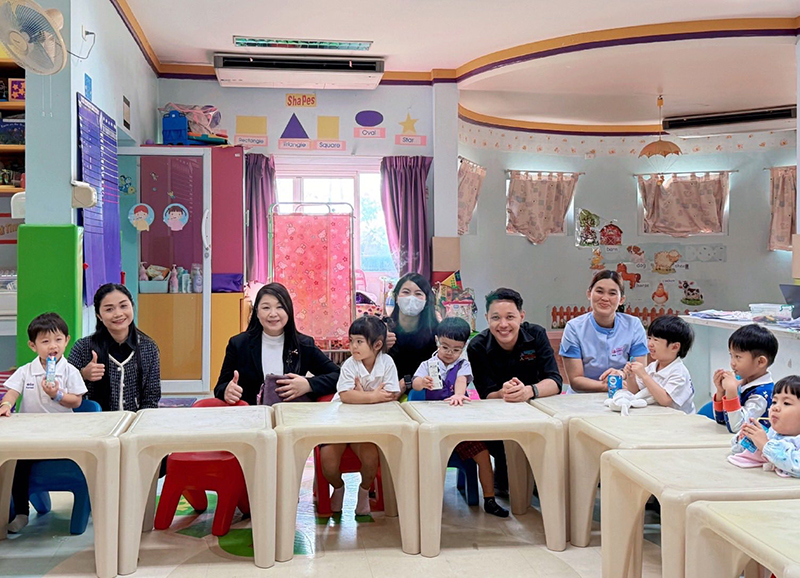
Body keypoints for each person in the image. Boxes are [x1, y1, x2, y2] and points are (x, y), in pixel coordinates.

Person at [411, 316, 509, 518]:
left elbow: (461, 381)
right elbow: (415, 384)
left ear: (463, 347)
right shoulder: (428, 364)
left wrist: (458, 394)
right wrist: (422, 383)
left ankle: (489, 499)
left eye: (456, 349)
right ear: (437, 341)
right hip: (434, 430)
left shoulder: (463, 364)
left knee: (483, 455)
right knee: (425, 460)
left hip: (460, 429)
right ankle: (425, 498)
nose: (450, 353)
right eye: (445, 347)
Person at [1, 313, 87, 533]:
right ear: (33, 345)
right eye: (45, 341)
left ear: (66, 340)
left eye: (58, 340)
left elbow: (76, 401)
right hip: (30, 437)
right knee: (16, 466)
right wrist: (6, 404)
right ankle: (21, 513)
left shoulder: (70, 371)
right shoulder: (26, 371)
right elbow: (12, 392)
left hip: (62, 436)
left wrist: (57, 395)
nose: (53, 346)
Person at [321, 316, 400, 516]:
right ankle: (338, 487)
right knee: (328, 460)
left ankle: (364, 491)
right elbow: (346, 396)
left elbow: (391, 394)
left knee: (371, 457)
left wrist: (361, 396)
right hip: (341, 424)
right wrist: (372, 396)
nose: (353, 346)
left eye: (359, 341)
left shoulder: (387, 363)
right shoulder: (349, 365)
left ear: (377, 345)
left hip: (367, 427)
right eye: (351, 341)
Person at [215, 282, 340, 405]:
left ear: (288, 310)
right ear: (256, 312)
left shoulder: (304, 345)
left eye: (280, 307)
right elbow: (220, 387)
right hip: (252, 414)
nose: (273, 314)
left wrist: (309, 384)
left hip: (291, 414)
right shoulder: (239, 344)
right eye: (266, 308)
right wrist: (226, 391)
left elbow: (338, 375)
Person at [69, 283, 161, 412]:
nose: (118, 314)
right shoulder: (82, 348)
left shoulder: (148, 348)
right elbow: (65, 389)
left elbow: (152, 396)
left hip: (135, 421)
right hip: (94, 421)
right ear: (99, 316)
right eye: (109, 309)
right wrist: (82, 375)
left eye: (123, 306)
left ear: (132, 306)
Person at [559, 270, 648, 393]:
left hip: (623, 396)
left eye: (612, 293)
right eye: (599, 291)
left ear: (621, 300)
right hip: (583, 397)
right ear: (589, 294)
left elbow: (639, 372)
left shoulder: (634, 325)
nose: (605, 298)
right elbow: (576, 380)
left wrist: (622, 374)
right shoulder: (574, 328)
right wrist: (610, 385)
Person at [468, 287, 562, 402]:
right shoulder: (477, 346)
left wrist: (528, 391)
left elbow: (555, 381)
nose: (503, 324)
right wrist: (503, 393)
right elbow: (486, 394)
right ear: (487, 318)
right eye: (496, 317)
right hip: (501, 406)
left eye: (510, 317)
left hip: (537, 402)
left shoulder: (536, 334)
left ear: (521, 317)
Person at [729, 375, 800, 478]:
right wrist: (746, 439)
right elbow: (738, 451)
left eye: (786, 403)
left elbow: (796, 466)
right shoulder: (771, 433)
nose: (775, 407)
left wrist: (765, 445)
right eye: (774, 402)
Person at [713, 324, 778, 434]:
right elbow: (721, 420)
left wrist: (731, 391)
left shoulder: (762, 394)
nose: (732, 363)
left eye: (738, 357)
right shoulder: (743, 382)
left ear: (760, 362)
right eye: (731, 355)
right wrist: (721, 392)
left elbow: (737, 428)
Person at [624, 315, 696, 414]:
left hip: (678, 420)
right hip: (655, 416)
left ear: (675, 347)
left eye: (656, 340)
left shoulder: (679, 373)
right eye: (649, 338)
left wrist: (644, 376)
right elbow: (635, 392)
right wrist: (631, 376)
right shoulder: (653, 367)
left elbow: (665, 400)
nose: (650, 344)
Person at [385, 273, 438, 391]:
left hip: (425, 393)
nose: (411, 298)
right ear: (396, 297)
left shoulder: (436, 333)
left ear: (426, 300)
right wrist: (380, 348)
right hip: (389, 392)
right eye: (406, 292)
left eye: (418, 294)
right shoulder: (384, 331)